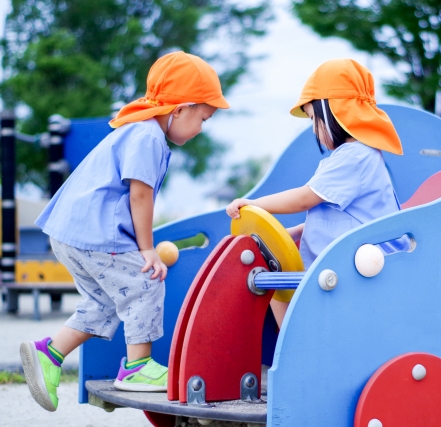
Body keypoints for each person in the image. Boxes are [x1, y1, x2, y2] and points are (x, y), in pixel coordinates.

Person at [20, 51, 229, 412]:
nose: (201, 129)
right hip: (96, 234)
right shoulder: (148, 136)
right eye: (203, 119)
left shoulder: (139, 130)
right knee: (146, 280)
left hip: (71, 233)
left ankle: (49, 354)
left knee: (103, 303)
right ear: (181, 108)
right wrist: (146, 249)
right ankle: (136, 368)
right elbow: (140, 194)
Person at [226, 58, 405, 326]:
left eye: (313, 118)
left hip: (353, 272)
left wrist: (254, 204)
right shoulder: (356, 155)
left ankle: (291, 342)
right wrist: (296, 232)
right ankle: (291, 339)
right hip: (343, 266)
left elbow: (304, 199)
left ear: (335, 111)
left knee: (275, 284)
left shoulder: (354, 156)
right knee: (275, 284)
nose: (313, 128)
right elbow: (337, 217)